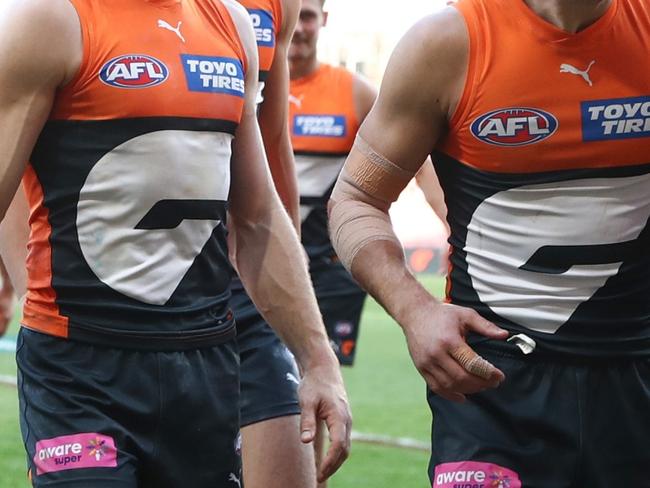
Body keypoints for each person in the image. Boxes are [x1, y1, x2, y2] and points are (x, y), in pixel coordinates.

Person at [0, 0, 351, 487]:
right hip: (79, 366)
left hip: (204, 360)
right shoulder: (50, 19)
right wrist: (18, 283)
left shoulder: (231, 24)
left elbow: (258, 215)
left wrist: (317, 358)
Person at [328, 0, 650, 486]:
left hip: (635, 378)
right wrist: (415, 310)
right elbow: (355, 199)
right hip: (492, 385)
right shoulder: (448, 44)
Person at [230, 0, 318, 486]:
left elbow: (272, 134)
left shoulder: (273, 8)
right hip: (148, 297)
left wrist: (292, 271)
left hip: (250, 283)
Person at [287, 1, 376, 484]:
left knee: (314, 386)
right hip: (257, 268)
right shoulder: (245, 86)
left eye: (309, 14)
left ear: (324, 21)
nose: (300, 26)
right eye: (292, 12)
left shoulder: (354, 92)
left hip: (330, 272)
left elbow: (416, 164)